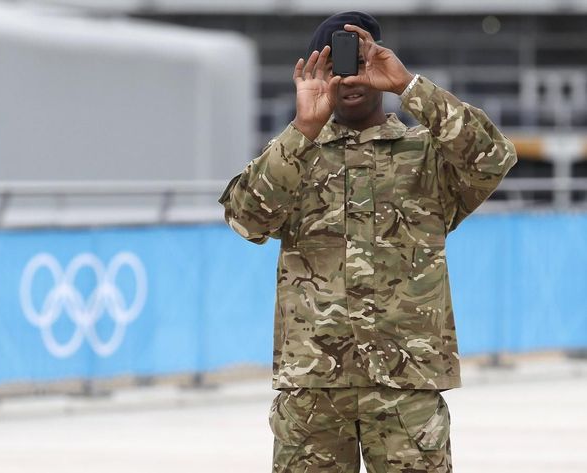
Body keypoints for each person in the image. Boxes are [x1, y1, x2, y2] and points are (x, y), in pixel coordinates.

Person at [218, 11, 517, 473]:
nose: (350, 78)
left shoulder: (426, 157)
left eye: (361, 63)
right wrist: (303, 128)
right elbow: (245, 218)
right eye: (336, 66)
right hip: (314, 389)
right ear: (316, 72)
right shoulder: (296, 156)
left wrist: (410, 86)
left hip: (407, 387)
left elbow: (493, 156)